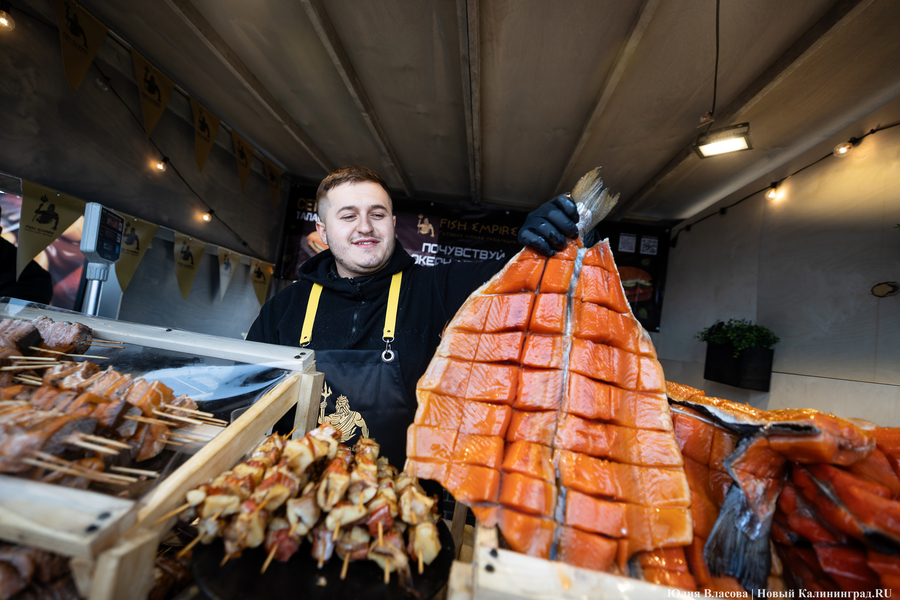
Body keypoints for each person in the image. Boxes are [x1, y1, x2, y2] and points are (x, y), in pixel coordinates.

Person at [247, 166, 583, 467]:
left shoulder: (436, 287)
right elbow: (246, 402)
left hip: (404, 500)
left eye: (377, 214)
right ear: (322, 230)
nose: (365, 227)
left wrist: (545, 244)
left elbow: (524, 279)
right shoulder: (283, 308)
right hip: (295, 495)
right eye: (348, 216)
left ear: (393, 224)